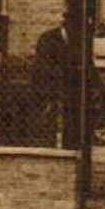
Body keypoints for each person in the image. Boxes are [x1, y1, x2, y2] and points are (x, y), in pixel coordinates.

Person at [32, 19, 77, 148]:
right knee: (50, 111)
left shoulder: (78, 39)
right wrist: (62, 76)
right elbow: (44, 63)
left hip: (68, 81)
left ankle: (71, 140)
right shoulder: (48, 37)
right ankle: (48, 139)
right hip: (48, 81)